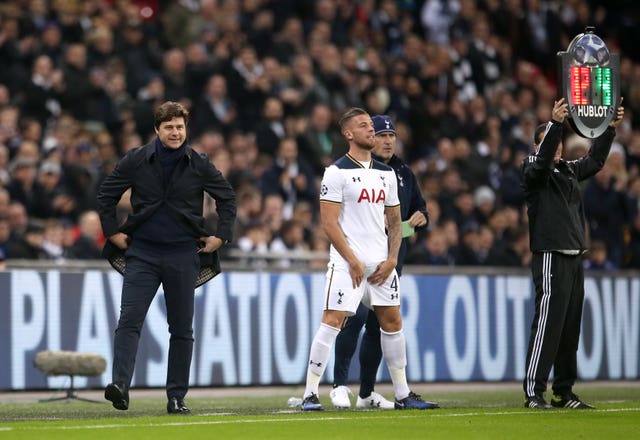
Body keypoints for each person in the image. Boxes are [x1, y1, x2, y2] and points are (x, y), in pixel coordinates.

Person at [96, 101, 236, 414]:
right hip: (142, 253)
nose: (175, 132)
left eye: (180, 127)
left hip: (183, 254)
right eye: (169, 127)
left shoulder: (199, 162)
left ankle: (176, 397)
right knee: (129, 320)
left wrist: (221, 237)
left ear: (186, 130)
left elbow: (227, 197)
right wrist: (111, 232)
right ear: (157, 129)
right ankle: (120, 385)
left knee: (182, 328)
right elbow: (105, 195)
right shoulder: (136, 159)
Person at [300, 107, 437, 411]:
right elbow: (329, 223)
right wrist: (351, 259)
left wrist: (391, 259)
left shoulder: (387, 174)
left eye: (371, 127)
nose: (371, 131)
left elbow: (394, 220)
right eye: (364, 126)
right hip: (348, 264)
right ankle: (311, 392)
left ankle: (402, 393)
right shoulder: (336, 172)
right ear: (348, 134)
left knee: (392, 322)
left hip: (381, 264)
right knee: (333, 321)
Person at [521, 98, 624, 409]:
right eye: (549, 143)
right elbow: (539, 165)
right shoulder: (532, 167)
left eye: (558, 143)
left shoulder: (567, 170)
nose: (556, 149)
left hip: (574, 255)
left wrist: (609, 130)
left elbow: (594, 162)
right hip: (551, 254)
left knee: (569, 327)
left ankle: (563, 392)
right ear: (538, 145)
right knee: (548, 324)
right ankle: (533, 392)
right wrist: (555, 124)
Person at [330, 114, 429, 410]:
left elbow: (417, 212)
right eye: (381, 135)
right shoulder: (353, 170)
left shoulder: (403, 173)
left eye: (391, 136)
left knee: (379, 326)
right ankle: (339, 385)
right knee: (353, 318)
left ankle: (367, 393)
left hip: (391, 261)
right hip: (360, 259)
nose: (386, 140)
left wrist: (420, 220)